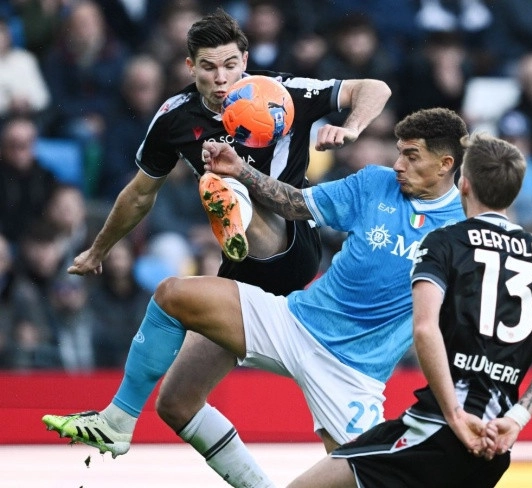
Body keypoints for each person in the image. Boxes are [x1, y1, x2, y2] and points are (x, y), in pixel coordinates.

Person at [43, 108, 532, 487]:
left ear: (447, 166)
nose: (399, 162)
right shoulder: (375, 183)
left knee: (357, 482)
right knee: (173, 307)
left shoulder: (466, 230)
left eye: (412, 155)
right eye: (400, 153)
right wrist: (242, 172)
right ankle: (121, 419)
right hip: (296, 320)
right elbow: (297, 203)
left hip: (355, 375)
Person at [43, 7, 390, 488]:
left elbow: (374, 88)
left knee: (217, 178)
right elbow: (140, 193)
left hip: (290, 243)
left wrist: (351, 126)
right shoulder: (175, 117)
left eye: (230, 65)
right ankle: (228, 473)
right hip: (244, 272)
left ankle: (229, 202)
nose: (221, 78)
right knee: (177, 402)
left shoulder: (280, 93)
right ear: (190, 67)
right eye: (208, 67)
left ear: (245, 60)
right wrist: (99, 249)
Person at [286, 131, 532, 488]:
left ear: (464, 184)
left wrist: (454, 415)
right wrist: (517, 418)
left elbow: (425, 329)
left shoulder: (447, 241)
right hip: (496, 444)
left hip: (438, 429)